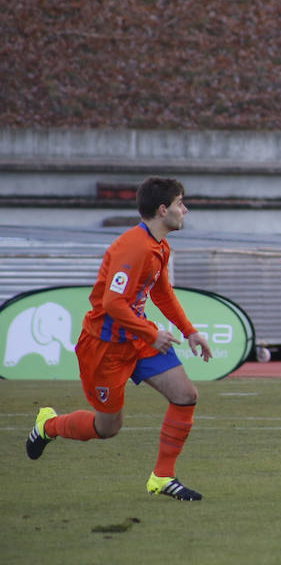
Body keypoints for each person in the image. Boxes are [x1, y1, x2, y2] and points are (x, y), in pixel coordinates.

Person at [25, 177, 213, 500]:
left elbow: (162, 293)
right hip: (105, 347)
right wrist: (153, 333)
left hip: (138, 340)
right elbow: (113, 303)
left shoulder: (159, 246)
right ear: (163, 209)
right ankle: (48, 425)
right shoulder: (134, 247)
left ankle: (162, 478)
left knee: (185, 395)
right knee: (107, 427)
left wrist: (189, 330)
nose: (186, 209)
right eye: (181, 203)